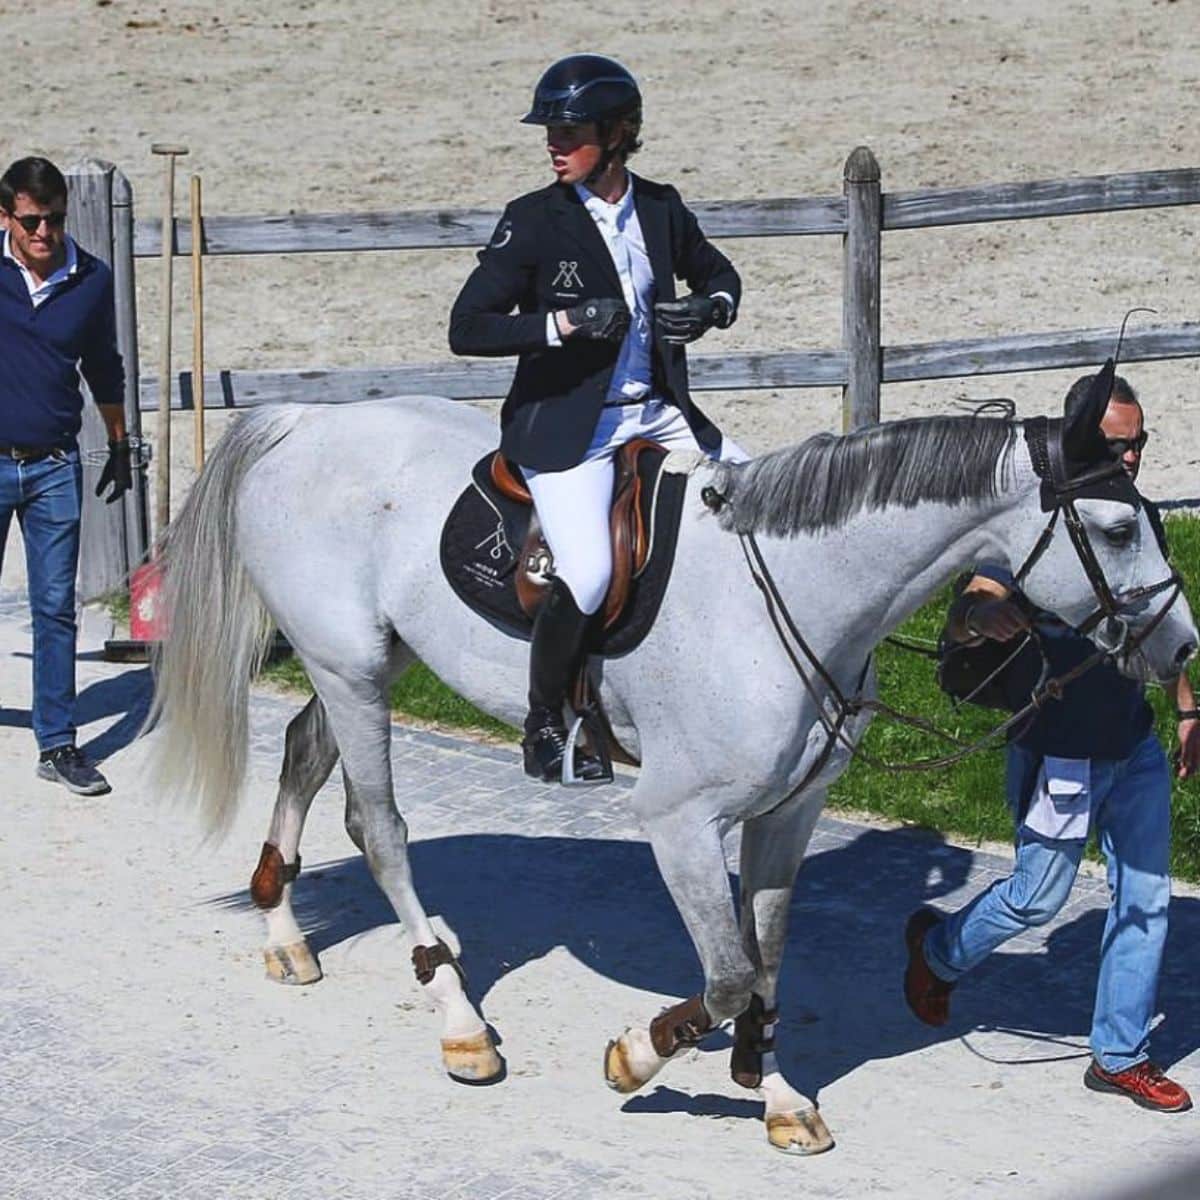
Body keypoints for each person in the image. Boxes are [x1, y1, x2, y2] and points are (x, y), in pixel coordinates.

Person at [904, 372, 1199, 1113]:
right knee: (1039, 900)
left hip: (1131, 744)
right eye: (1115, 445)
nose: (1130, 458)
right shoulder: (1040, 521)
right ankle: (939, 952)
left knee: (1147, 899)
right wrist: (981, 619)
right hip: (1062, 753)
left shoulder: (1138, 516)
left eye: (1139, 444)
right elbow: (978, 597)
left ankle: (1119, 1055)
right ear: (1080, 441)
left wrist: (1188, 711)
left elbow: (1157, 625)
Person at [449, 54, 746, 784]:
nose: (554, 143)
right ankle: (544, 721)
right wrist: (565, 323)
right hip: (568, 432)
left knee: (757, 500)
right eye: (550, 130)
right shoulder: (533, 221)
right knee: (585, 575)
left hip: (660, 415)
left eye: (570, 130)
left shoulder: (662, 206)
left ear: (619, 134)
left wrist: (710, 309)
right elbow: (468, 327)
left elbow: (719, 274)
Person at [0, 156, 133, 795]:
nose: (44, 232)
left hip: (53, 465)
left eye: (53, 219)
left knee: (55, 609)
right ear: (5, 217)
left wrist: (116, 439)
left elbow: (104, 365)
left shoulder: (90, 278)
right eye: (31, 221)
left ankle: (58, 745)